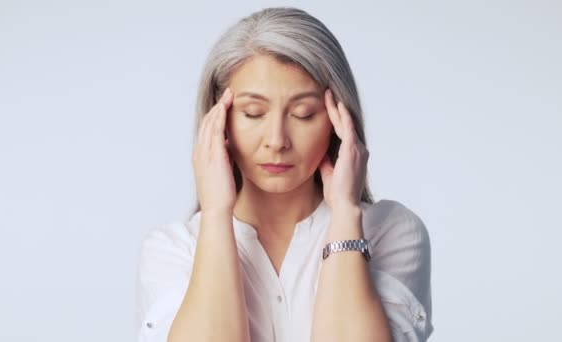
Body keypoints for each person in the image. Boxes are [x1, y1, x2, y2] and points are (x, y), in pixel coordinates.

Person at [137, 6, 433, 342]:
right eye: (252, 113)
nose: (277, 140)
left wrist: (345, 215)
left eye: (304, 114)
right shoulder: (173, 251)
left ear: (339, 121)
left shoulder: (390, 232)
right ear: (218, 119)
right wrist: (216, 214)